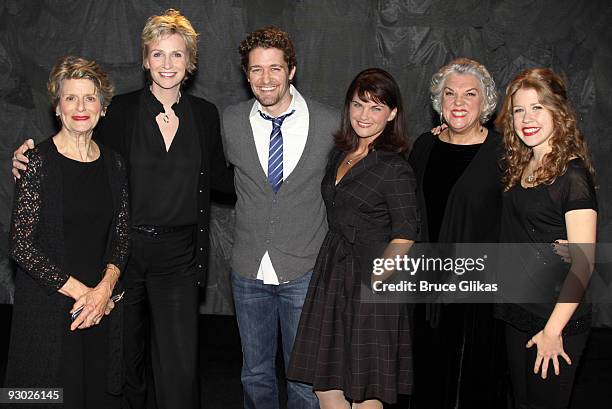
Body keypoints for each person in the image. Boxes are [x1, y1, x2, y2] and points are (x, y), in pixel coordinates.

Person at [11, 9, 234, 409]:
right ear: (145, 59)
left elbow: (225, 178)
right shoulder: (121, 111)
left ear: (191, 63)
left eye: (177, 55)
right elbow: (76, 139)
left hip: (178, 256)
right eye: (158, 54)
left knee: (179, 366)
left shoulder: (205, 116)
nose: (168, 64)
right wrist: (28, 156)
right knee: (122, 363)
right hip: (125, 253)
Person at [287, 68, 419, 408]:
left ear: (391, 114)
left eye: (376, 108)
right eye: (359, 104)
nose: (364, 115)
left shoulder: (394, 168)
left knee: (365, 389)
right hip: (332, 275)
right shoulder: (340, 154)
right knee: (325, 385)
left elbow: (407, 233)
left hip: (372, 282)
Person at [221, 26, 337, 408]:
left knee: (304, 379)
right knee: (254, 373)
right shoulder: (230, 120)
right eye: (256, 69)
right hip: (248, 271)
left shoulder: (331, 122)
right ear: (246, 74)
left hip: (305, 271)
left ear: (292, 71)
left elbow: (375, 156)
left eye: (274, 68)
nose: (265, 78)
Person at [5, 56, 129, 409]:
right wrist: (82, 295)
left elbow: (121, 237)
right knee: (44, 399)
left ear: (103, 108)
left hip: (101, 310)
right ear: (57, 107)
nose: (80, 107)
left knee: (97, 395)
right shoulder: (36, 162)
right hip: (49, 311)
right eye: (70, 98)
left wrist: (102, 292)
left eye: (90, 98)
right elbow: (21, 246)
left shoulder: (115, 163)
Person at [407, 57, 507, 409]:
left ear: (486, 103)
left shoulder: (504, 154)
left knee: (470, 384)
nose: (459, 102)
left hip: (477, 296)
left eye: (469, 94)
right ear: (439, 102)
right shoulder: (423, 145)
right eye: (450, 94)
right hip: (424, 288)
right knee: (426, 379)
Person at [495, 67, 597, 409]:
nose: (527, 118)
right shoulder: (520, 163)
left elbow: (583, 264)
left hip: (556, 318)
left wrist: (553, 331)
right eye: (519, 109)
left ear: (559, 112)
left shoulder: (573, 175)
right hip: (518, 312)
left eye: (538, 107)